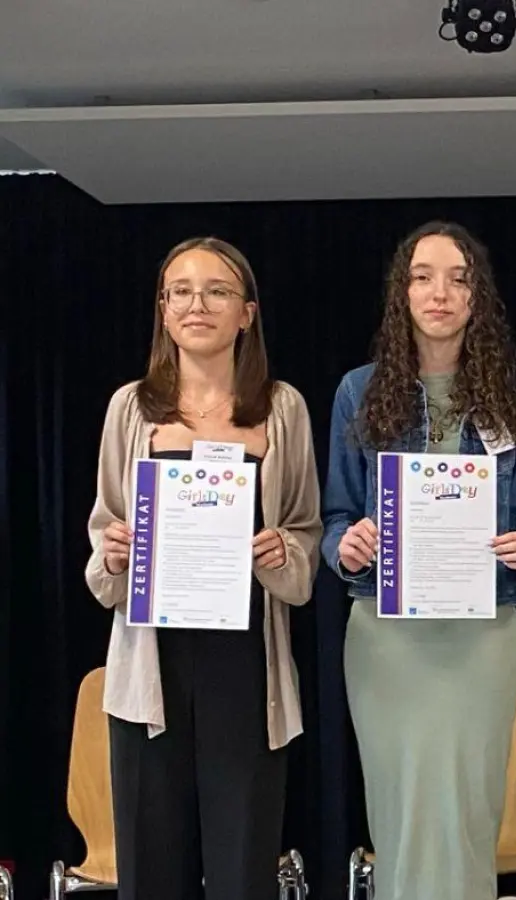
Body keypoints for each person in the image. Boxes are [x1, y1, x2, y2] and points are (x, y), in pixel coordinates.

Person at [320, 221, 516, 900]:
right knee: (399, 812)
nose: (440, 293)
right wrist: (346, 546)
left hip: (482, 636)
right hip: (387, 638)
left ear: (477, 298)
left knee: (470, 812)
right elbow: (334, 520)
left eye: (458, 279)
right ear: (402, 293)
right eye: (423, 277)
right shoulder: (358, 391)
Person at [86, 237, 322, 900]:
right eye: (181, 292)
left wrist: (282, 551)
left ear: (246, 313)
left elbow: (306, 531)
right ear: (163, 311)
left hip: (247, 669)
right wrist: (114, 555)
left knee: (243, 871)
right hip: (151, 670)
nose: (198, 305)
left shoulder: (282, 408)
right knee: (150, 870)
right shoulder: (131, 408)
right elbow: (104, 531)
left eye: (217, 291)